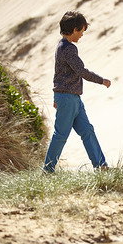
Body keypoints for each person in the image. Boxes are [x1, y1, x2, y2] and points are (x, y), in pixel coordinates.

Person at [43, 11, 111, 173]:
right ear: (74, 30)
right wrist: (102, 80)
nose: (81, 35)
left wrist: (56, 96)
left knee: (87, 130)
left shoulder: (62, 46)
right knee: (61, 135)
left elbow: (57, 73)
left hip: (73, 98)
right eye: (81, 31)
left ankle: (101, 166)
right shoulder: (68, 48)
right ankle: (47, 170)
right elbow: (81, 71)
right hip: (67, 98)